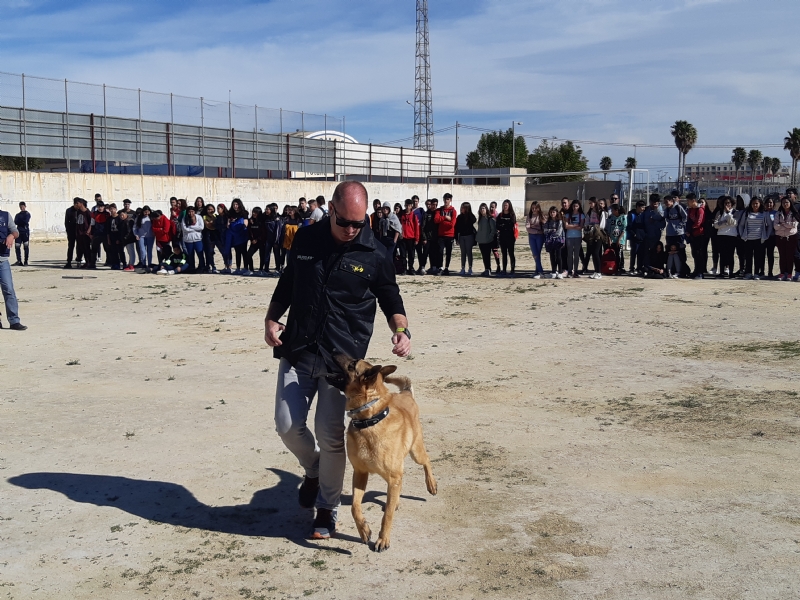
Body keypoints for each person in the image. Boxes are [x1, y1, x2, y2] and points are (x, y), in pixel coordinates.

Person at [264, 180, 409, 540]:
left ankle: (327, 510)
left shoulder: (374, 251)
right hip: (299, 347)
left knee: (331, 436)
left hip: (341, 363)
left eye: (358, 224)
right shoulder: (306, 239)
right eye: (344, 221)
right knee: (287, 424)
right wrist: (271, 317)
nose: (350, 230)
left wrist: (401, 330)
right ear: (331, 209)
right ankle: (314, 470)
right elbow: (288, 280)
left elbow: (390, 295)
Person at [0, 206, 27, 330]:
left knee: (9, 290)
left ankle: (14, 320)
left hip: (2, 260)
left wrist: (11, 236)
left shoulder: (5, 216)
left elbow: (15, 232)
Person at [737, 195, 772, 280]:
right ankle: (748, 273)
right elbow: (741, 225)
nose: (755, 205)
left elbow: (770, 225)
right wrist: (742, 235)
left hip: (760, 239)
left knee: (758, 257)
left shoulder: (764, 213)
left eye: (756, 203)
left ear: (760, 204)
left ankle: (757, 273)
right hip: (748, 239)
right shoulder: (746, 213)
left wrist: (766, 236)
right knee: (748, 257)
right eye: (753, 203)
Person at [713, 196, 739, 279]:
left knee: (730, 255)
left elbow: (734, 223)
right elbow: (716, 225)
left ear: (732, 204)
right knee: (722, 254)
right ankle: (721, 272)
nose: (727, 204)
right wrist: (726, 222)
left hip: (732, 235)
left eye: (729, 203)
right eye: (725, 203)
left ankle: (731, 272)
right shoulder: (719, 212)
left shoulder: (735, 212)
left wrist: (728, 214)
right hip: (721, 235)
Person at [774, 196, 799, 281]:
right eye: (783, 203)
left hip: (791, 237)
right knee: (782, 256)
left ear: (790, 203)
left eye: (787, 202)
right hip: (780, 237)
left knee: (790, 256)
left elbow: (794, 225)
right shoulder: (778, 213)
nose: (785, 204)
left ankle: (789, 273)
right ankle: (782, 273)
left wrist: (783, 224)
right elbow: (775, 226)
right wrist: (786, 225)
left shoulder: (794, 213)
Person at [641, 194, 666, 275]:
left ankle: (655, 268)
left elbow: (663, 224)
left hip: (656, 236)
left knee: (655, 253)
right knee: (645, 253)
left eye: (656, 203)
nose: (654, 205)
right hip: (646, 236)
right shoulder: (646, 210)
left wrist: (655, 220)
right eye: (652, 203)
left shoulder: (661, 212)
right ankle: (645, 268)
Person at [664, 194, 687, 276]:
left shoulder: (678, 207)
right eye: (665, 202)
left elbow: (685, 217)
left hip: (679, 233)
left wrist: (680, 225)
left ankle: (681, 270)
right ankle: (671, 269)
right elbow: (666, 218)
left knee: (680, 251)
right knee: (670, 251)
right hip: (670, 233)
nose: (666, 204)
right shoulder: (666, 210)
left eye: (667, 202)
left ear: (671, 201)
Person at [583, 197, 606, 279]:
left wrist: (596, 228)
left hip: (598, 235)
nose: (590, 204)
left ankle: (599, 272)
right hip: (591, 235)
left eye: (591, 203)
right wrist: (587, 227)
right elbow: (587, 221)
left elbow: (602, 225)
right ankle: (596, 271)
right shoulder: (590, 212)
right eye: (589, 203)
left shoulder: (601, 212)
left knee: (596, 253)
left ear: (595, 203)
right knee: (593, 253)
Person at [434, 193, 457, 275]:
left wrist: (443, 222)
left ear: (450, 200)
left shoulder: (453, 211)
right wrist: (445, 218)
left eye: (448, 199)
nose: (446, 201)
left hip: (450, 235)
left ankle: (447, 268)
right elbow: (436, 220)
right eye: (445, 199)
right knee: (440, 251)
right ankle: (440, 267)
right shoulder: (439, 210)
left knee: (448, 252)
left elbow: (452, 224)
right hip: (441, 235)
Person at [685, 193, 707, 279]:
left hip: (699, 234)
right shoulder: (690, 210)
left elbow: (699, 222)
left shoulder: (700, 209)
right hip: (692, 235)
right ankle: (696, 270)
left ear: (693, 201)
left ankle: (700, 272)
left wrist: (691, 228)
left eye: (688, 201)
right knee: (694, 253)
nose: (687, 202)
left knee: (699, 254)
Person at [228, 199, 250, 274]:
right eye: (234, 204)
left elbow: (246, 221)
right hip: (235, 235)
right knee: (237, 252)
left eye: (236, 204)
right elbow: (228, 221)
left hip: (242, 234)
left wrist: (244, 226)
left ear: (239, 204)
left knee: (244, 251)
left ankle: (246, 267)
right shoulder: (231, 213)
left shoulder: (244, 213)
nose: (235, 206)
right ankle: (238, 268)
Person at [563, 200, 584, 278]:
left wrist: (572, 226)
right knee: (569, 254)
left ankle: (575, 271)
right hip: (569, 236)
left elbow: (581, 226)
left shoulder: (581, 215)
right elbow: (566, 226)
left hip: (578, 236)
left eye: (577, 206)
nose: (575, 208)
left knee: (576, 254)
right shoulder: (568, 215)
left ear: (579, 207)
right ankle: (569, 270)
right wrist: (575, 226)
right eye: (574, 206)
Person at [496, 199, 517, 277]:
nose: (505, 207)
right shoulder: (500, 215)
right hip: (502, 237)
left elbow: (512, 224)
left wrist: (504, 225)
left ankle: (512, 270)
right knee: (504, 254)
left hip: (510, 237)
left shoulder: (512, 215)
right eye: (504, 205)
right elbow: (497, 225)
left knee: (511, 253)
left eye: (506, 205)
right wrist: (503, 226)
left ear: (509, 206)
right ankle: (504, 270)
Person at [181, 206, 206, 273]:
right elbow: (184, 229)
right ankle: (192, 268)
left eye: (192, 211)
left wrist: (191, 227)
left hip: (198, 239)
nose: (191, 213)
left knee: (200, 254)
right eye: (189, 211)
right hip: (188, 240)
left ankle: (202, 267)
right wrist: (195, 228)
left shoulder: (199, 217)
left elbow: (201, 227)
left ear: (194, 211)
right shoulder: (184, 218)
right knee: (190, 254)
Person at [455, 202, 477, 276]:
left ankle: (470, 268)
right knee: (463, 253)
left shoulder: (470, 217)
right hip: (462, 236)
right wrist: (456, 238)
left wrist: (468, 213)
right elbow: (457, 228)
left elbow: (474, 220)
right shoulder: (459, 217)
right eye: (461, 207)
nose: (461, 209)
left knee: (469, 252)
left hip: (469, 236)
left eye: (463, 207)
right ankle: (463, 268)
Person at [476, 203, 497, 277]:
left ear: (486, 209)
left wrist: (490, 238)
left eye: (483, 208)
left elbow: (493, 230)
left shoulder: (490, 219)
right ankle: (486, 269)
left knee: (487, 255)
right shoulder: (480, 219)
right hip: (481, 241)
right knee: (484, 256)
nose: (482, 210)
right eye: (481, 208)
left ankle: (488, 269)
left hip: (487, 241)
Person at [604, 203, 626, 274]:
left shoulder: (623, 218)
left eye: (613, 210)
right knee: (612, 254)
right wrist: (609, 238)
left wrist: (619, 239)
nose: (612, 211)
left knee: (619, 253)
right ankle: (613, 267)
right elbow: (607, 229)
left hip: (620, 239)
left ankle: (620, 267)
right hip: (612, 239)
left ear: (616, 210)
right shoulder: (611, 218)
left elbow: (624, 229)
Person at [544, 206, 565, 278]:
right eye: (551, 212)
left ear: (556, 213)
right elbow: (545, 230)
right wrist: (552, 230)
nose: (552, 213)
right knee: (552, 256)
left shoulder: (559, 221)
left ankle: (560, 272)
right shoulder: (548, 221)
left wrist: (551, 232)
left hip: (558, 240)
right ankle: (553, 271)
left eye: (553, 212)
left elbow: (559, 232)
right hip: (550, 241)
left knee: (558, 256)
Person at [525, 201, 545, 278]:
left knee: (538, 253)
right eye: (532, 208)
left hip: (540, 237)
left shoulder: (541, 215)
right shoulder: (529, 216)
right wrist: (536, 230)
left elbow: (544, 225)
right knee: (535, 254)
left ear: (538, 208)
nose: (533, 209)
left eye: (535, 208)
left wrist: (536, 227)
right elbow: (528, 228)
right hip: (532, 236)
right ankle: (539, 271)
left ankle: (539, 271)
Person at [400, 199, 420, 275]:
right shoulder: (402, 215)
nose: (407, 207)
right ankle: (404, 269)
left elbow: (416, 228)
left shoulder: (414, 216)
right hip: (403, 238)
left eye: (409, 205)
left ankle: (411, 268)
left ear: (411, 206)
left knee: (411, 254)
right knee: (403, 255)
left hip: (411, 238)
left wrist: (416, 239)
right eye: (406, 205)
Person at [627, 201, 646, 275]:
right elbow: (629, 226)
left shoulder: (643, 214)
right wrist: (634, 234)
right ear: (637, 207)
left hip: (642, 237)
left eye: (644, 207)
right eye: (642, 207)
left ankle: (639, 268)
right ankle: (631, 268)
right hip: (634, 238)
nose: (643, 209)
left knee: (640, 253)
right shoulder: (632, 215)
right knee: (634, 253)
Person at [89, 202, 109, 269]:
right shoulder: (94, 214)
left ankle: (109, 262)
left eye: (101, 206)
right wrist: (91, 234)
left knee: (108, 249)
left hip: (105, 234)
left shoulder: (107, 214)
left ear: (104, 207)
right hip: (97, 234)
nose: (100, 208)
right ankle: (92, 264)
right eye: (99, 207)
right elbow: (92, 224)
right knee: (94, 249)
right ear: (97, 207)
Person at [133, 206, 155, 270]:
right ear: (143, 212)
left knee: (149, 251)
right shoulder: (139, 218)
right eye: (145, 212)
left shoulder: (151, 218)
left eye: (148, 212)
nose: (147, 213)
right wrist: (136, 235)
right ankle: (143, 263)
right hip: (141, 236)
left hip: (150, 236)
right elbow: (135, 227)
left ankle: (149, 263)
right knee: (142, 250)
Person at [423, 199, 440, 274]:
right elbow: (423, 227)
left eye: (435, 205)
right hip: (427, 237)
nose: (434, 206)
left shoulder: (438, 213)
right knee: (425, 252)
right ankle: (422, 267)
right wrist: (424, 237)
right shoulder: (426, 214)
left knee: (434, 253)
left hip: (436, 237)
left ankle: (434, 267)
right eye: (433, 204)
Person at [64, 198, 82, 268]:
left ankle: (79, 260)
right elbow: (66, 222)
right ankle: (69, 261)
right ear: (75, 204)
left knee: (79, 247)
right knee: (71, 247)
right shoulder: (69, 211)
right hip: (71, 232)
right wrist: (68, 231)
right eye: (78, 204)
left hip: (79, 232)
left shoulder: (81, 210)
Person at [763, 196, 778, 278]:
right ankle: (761, 271)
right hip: (762, 236)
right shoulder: (762, 213)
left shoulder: (776, 213)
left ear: (773, 204)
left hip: (772, 236)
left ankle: (770, 271)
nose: (769, 204)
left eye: (771, 202)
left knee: (770, 254)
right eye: (767, 202)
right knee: (762, 254)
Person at [106, 204, 124, 270]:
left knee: (120, 251)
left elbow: (121, 229)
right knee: (113, 252)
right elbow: (108, 230)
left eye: (113, 209)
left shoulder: (119, 218)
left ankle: (123, 263)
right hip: (111, 236)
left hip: (118, 236)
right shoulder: (109, 219)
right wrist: (108, 239)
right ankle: (115, 264)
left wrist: (119, 238)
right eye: (111, 209)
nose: (112, 210)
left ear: (116, 209)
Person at [202, 204, 218, 273]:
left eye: (211, 209)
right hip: (208, 235)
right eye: (209, 209)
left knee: (212, 252)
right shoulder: (204, 217)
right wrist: (213, 223)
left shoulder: (216, 216)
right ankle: (211, 266)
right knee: (209, 251)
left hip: (215, 235)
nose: (210, 211)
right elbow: (208, 226)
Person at [13, 202, 30, 266]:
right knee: (17, 246)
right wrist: (21, 221)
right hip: (18, 233)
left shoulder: (27, 214)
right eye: (21, 206)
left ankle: (26, 261)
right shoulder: (17, 215)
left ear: (25, 206)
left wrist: (20, 221)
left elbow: (25, 221)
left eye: (23, 206)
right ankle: (19, 261)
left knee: (26, 247)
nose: (22, 207)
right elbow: (15, 222)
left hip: (25, 233)